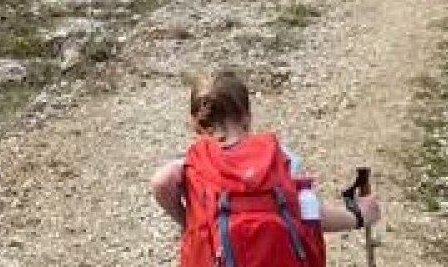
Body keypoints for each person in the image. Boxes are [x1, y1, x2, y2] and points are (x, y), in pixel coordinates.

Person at [152, 70, 381, 266]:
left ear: (195, 123)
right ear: (246, 117)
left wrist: (188, 223)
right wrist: (359, 216)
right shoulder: (277, 157)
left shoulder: (194, 165)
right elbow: (310, 214)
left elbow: (162, 181)